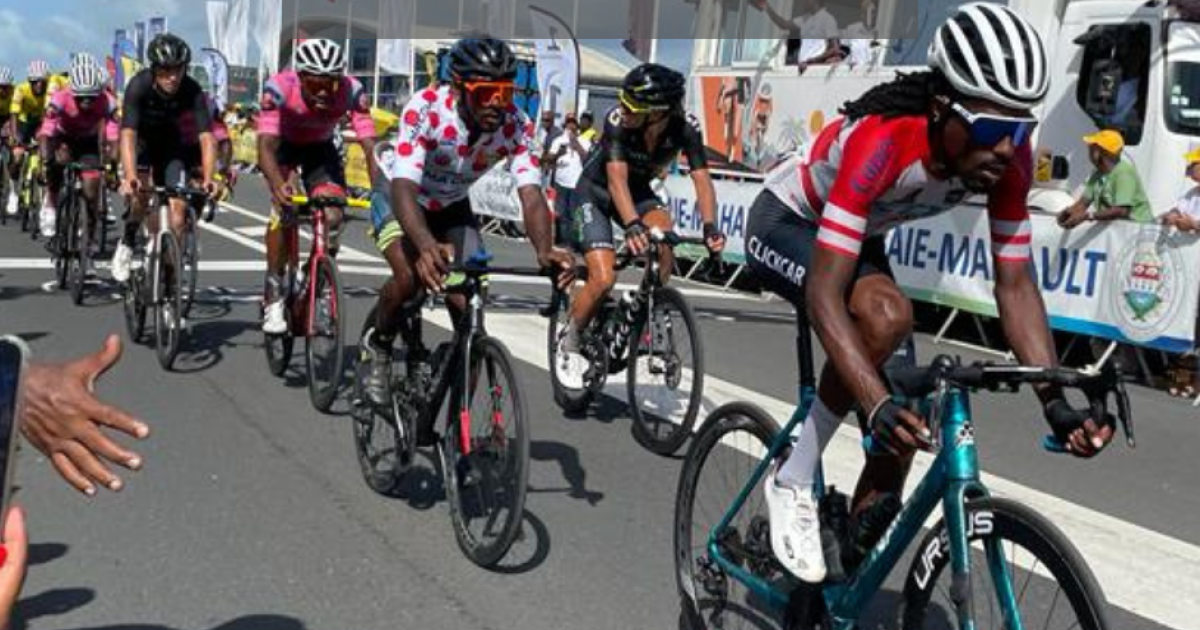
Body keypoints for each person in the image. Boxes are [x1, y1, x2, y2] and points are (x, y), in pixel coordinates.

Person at [746, 3, 1115, 584]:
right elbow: (824, 292)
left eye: (1020, 130)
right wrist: (870, 400)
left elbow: (1015, 285)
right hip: (787, 222)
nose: (1006, 149)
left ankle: (833, 585)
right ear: (942, 108)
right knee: (887, 321)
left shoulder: (1006, 160)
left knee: (906, 427)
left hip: (858, 237)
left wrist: (1055, 398)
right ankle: (794, 473)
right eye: (993, 129)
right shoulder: (884, 139)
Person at [360, 37, 575, 408]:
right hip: (400, 196)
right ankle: (378, 344)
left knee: (470, 307)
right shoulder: (426, 110)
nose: (496, 102)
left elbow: (531, 194)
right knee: (411, 277)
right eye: (486, 91)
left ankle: (454, 428)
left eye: (505, 92)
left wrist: (545, 250)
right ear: (459, 88)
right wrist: (425, 247)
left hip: (452, 206)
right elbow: (404, 186)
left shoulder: (516, 126)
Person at [555, 63, 726, 389]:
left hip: (639, 193)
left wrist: (710, 227)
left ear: (658, 114)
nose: (622, 109)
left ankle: (648, 307)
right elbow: (616, 181)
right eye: (623, 100)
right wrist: (632, 226)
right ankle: (571, 337)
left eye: (632, 106)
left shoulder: (686, 128)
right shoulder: (618, 122)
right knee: (604, 278)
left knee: (664, 243)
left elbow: (702, 181)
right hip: (595, 192)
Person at [257, 38, 377, 334]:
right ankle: (273, 294)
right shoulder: (279, 88)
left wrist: (381, 190)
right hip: (282, 147)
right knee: (284, 213)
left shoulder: (353, 91)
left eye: (331, 84)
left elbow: (370, 146)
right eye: (315, 84)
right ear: (300, 78)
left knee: (334, 216)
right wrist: (278, 185)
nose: (324, 91)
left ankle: (320, 283)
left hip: (319, 149)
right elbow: (265, 149)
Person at [112, 34, 218, 283]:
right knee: (139, 197)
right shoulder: (138, 86)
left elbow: (206, 137)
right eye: (166, 70)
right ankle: (127, 241)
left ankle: (170, 285)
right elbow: (127, 134)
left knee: (178, 215)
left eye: (178, 69)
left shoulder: (192, 89)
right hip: (142, 144)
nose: (173, 76)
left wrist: (210, 177)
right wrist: (129, 177)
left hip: (171, 146)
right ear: (155, 68)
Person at [37, 57, 119, 265]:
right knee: (56, 163)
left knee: (92, 191)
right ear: (72, 91)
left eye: (91, 97)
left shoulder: (107, 101)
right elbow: (47, 131)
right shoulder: (60, 98)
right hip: (62, 138)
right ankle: (52, 203)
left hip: (87, 142)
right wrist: (46, 160)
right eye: (81, 97)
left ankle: (87, 246)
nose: (86, 102)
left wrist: (112, 166)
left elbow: (113, 136)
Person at [7, 60, 69, 229]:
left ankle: (44, 197)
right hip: (24, 123)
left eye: (42, 81)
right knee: (18, 156)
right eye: (35, 82)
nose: (39, 86)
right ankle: (13, 191)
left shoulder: (53, 85)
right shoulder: (21, 89)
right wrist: (15, 138)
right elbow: (14, 115)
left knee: (46, 154)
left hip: (42, 122)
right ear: (30, 81)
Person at [1057, 129, 1153, 227]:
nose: (1089, 150)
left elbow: (1121, 211)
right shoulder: (1098, 173)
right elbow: (1083, 203)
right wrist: (1068, 212)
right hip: (1119, 229)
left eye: (1092, 148)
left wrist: (1088, 216)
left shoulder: (1124, 173)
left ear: (1101, 152)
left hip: (1136, 230)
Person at [751, 0, 842, 74]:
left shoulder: (827, 19)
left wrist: (811, 62)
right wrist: (767, 7)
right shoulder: (805, 19)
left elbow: (835, 49)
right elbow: (783, 24)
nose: (803, 2)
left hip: (815, 70)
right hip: (802, 68)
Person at [548, 115, 592, 249]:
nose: (571, 126)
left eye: (573, 124)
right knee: (561, 213)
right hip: (561, 182)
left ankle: (576, 243)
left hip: (576, 183)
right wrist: (558, 154)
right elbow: (549, 159)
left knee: (576, 214)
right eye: (568, 124)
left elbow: (588, 159)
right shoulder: (558, 140)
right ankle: (562, 240)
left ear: (577, 127)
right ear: (564, 126)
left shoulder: (584, 141)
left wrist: (576, 144)